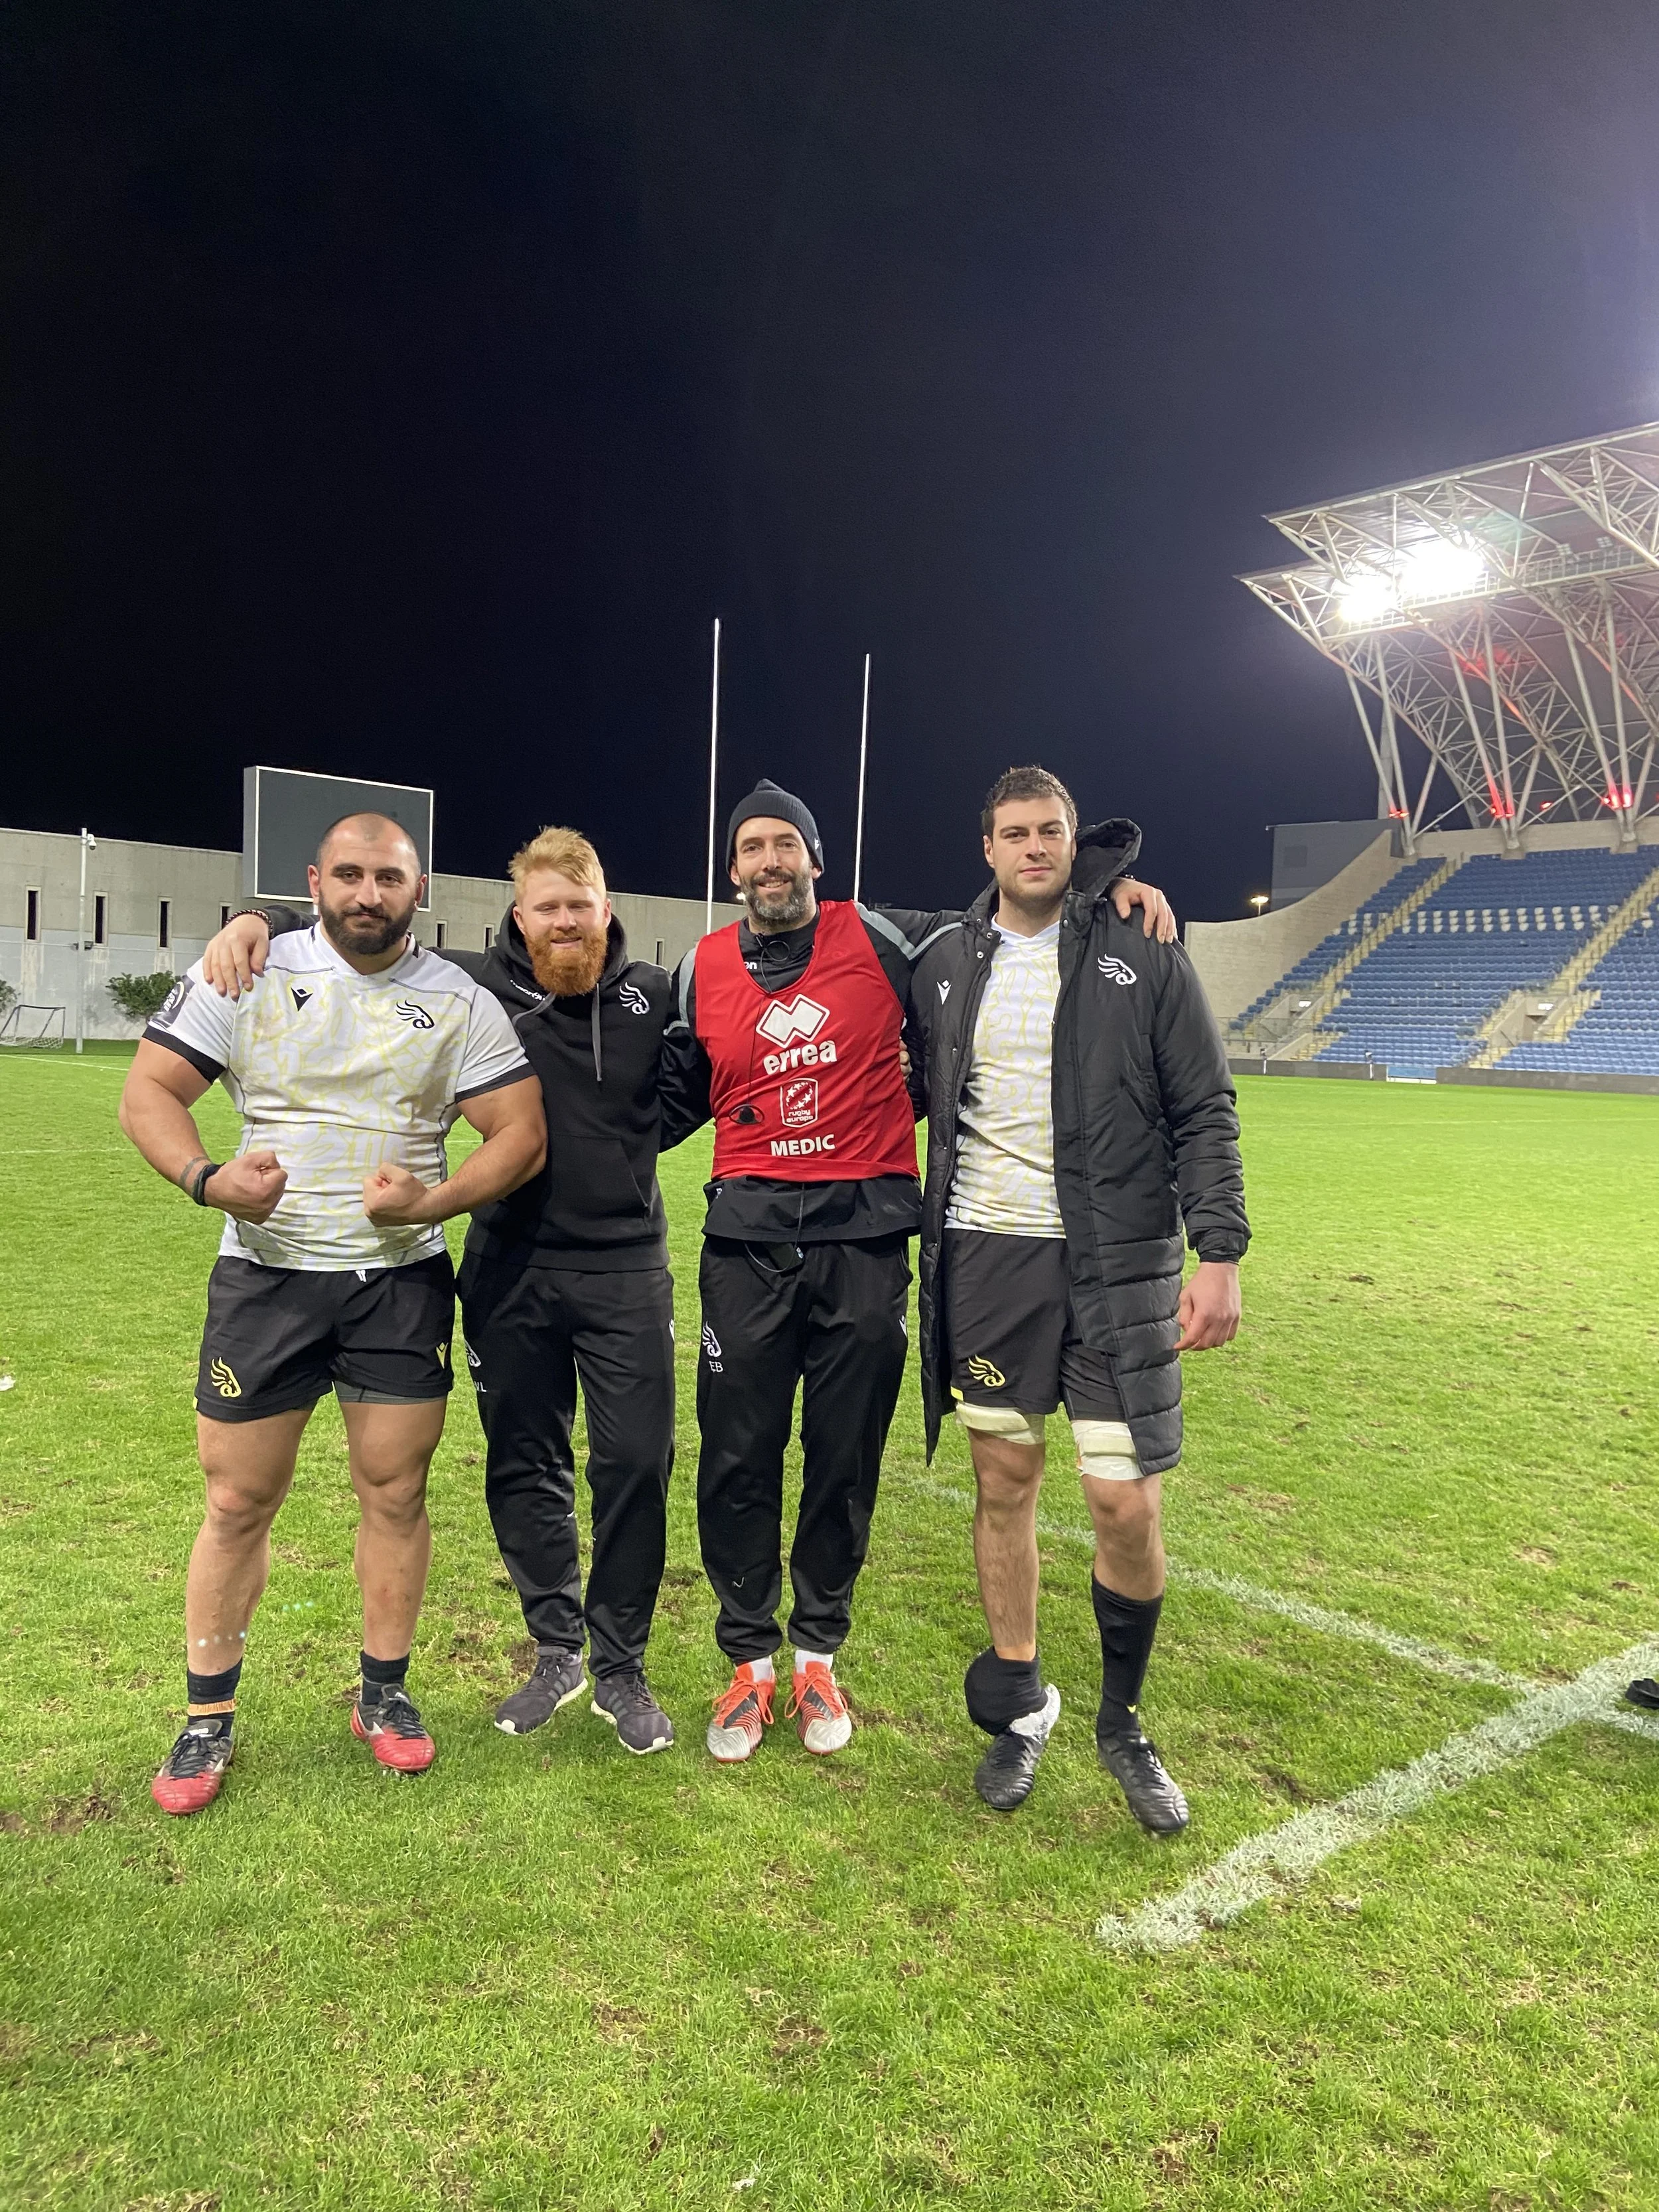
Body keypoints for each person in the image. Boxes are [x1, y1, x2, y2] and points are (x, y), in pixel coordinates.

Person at [668, 780, 1176, 1765]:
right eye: (753, 848)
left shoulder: (890, 938)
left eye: (787, 844)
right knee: (736, 1456)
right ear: (733, 869)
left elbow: (1009, 917)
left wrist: (1105, 889)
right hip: (745, 1245)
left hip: (866, 1239)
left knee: (844, 1457)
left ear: (815, 860)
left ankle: (816, 1656)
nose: (771, 861)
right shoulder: (700, 968)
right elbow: (669, 1093)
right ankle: (748, 1664)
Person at [199, 828, 698, 1755]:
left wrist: (621, 1156)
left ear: (607, 908)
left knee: (635, 1462)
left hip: (628, 1265)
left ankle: (622, 1664)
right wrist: (256, 918)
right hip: (511, 1263)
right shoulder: (476, 987)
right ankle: (556, 1649)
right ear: (520, 916)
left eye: (579, 905)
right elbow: (364, 931)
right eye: (546, 907)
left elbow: (692, 1092)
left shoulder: (656, 996)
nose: (563, 921)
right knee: (524, 1461)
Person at [119, 813, 545, 1815]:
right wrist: (207, 1178)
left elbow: (520, 1133)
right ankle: (207, 1716)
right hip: (265, 1279)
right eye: (349, 875)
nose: (367, 894)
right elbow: (149, 1093)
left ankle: (383, 1693)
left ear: (419, 889)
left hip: (397, 1283)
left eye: (388, 878)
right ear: (313, 881)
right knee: (236, 1501)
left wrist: (434, 1203)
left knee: (396, 1492)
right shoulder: (247, 969)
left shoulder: (461, 999)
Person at [909, 766, 1248, 1830]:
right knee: (1003, 1482)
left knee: (1124, 1502)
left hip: (1118, 1263)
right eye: (1014, 833)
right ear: (988, 848)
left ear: (1073, 840)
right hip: (988, 1258)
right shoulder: (945, 960)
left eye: (1050, 831)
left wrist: (1221, 1253)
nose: (1033, 848)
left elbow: (1205, 1106)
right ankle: (1021, 1700)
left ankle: (1122, 1721)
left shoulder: (1143, 947)